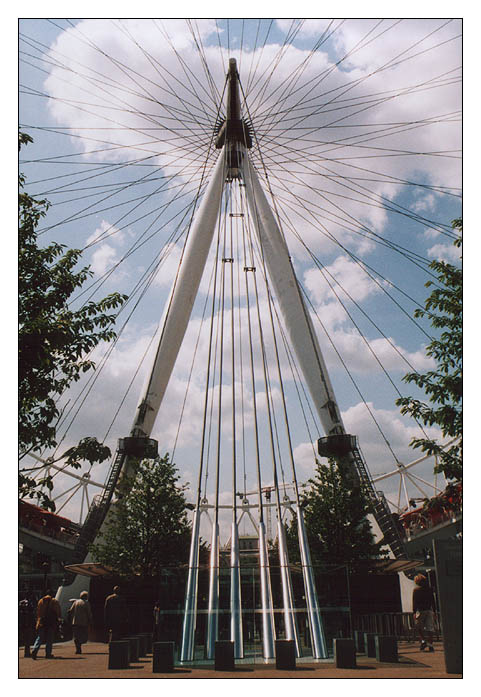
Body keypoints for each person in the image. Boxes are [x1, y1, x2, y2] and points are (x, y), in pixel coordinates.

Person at [31, 589, 61, 659]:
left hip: (42, 622)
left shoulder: (41, 601)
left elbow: (38, 613)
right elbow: (58, 612)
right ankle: (48, 654)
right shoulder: (54, 601)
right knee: (49, 639)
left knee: (39, 638)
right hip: (51, 623)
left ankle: (34, 650)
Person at [412, 573, 436, 652]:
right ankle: (430, 645)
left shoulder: (416, 590)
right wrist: (434, 611)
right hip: (429, 610)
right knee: (430, 628)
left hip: (420, 611)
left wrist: (414, 612)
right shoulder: (429, 589)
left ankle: (423, 640)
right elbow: (433, 601)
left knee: (418, 627)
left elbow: (414, 602)